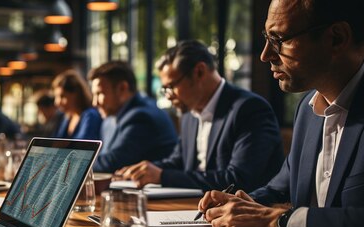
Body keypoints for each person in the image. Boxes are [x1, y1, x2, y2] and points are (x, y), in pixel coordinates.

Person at [199, 0, 364, 227]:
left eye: (279, 39)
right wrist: (245, 203)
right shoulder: (307, 109)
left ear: (336, 38)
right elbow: (279, 188)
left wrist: (278, 222)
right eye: (267, 38)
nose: (265, 54)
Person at [115, 40, 284, 192]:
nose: (167, 95)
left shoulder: (249, 109)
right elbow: (178, 162)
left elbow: (238, 179)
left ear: (199, 72)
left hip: (242, 215)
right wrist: (141, 171)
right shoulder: (189, 114)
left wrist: (162, 176)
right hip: (192, 208)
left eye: (171, 86)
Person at [88, 61, 178, 173]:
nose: (94, 103)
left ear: (122, 88)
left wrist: (76, 165)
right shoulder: (113, 118)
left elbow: (112, 163)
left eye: (100, 94)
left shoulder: (141, 117)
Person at [52, 70, 102, 140]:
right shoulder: (67, 117)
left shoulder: (90, 115)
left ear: (76, 94)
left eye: (62, 96)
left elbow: (82, 147)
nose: (57, 102)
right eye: (56, 97)